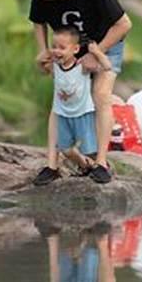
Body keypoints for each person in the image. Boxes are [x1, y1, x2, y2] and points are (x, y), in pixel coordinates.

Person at [29, 0, 133, 184]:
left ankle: (101, 164)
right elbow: (38, 21)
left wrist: (97, 53)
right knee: (60, 100)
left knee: (101, 96)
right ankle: (52, 165)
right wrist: (43, 51)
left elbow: (123, 24)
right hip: (65, 50)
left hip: (106, 45)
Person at [33, 27, 112, 186]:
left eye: (62, 47)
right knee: (65, 149)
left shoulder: (82, 66)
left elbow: (107, 66)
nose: (57, 51)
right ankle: (85, 165)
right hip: (63, 114)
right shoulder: (55, 66)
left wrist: (96, 52)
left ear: (75, 49)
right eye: (54, 46)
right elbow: (43, 69)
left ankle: (101, 166)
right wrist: (41, 60)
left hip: (82, 114)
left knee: (89, 149)